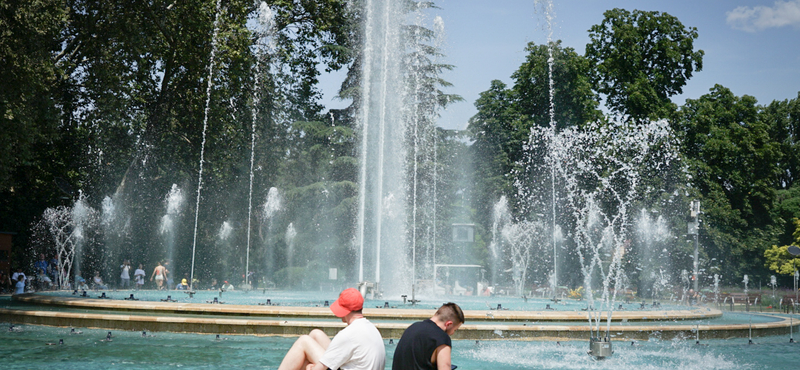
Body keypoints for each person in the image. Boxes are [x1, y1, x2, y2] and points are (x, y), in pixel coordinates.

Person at [277, 287, 385, 370]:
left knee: (303, 341)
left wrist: (312, 367)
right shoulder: (370, 328)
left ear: (345, 311)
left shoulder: (348, 335)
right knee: (316, 334)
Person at [392, 302, 465, 370]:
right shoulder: (442, 338)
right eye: (455, 330)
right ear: (448, 324)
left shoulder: (412, 328)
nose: (452, 333)